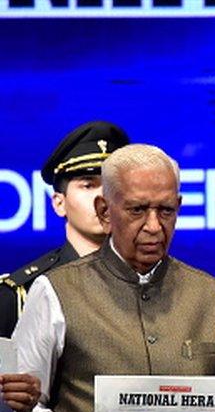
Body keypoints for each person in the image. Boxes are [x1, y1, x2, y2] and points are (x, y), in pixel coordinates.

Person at [13, 144, 215, 412]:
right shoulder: (55, 291)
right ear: (105, 211)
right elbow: (24, 406)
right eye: (137, 210)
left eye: (165, 211)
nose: (153, 226)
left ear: (179, 207)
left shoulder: (211, 293)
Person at [1, 121, 129, 337]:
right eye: (88, 185)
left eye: (112, 186)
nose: (103, 198)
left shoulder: (163, 286)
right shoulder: (19, 295)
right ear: (59, 203)